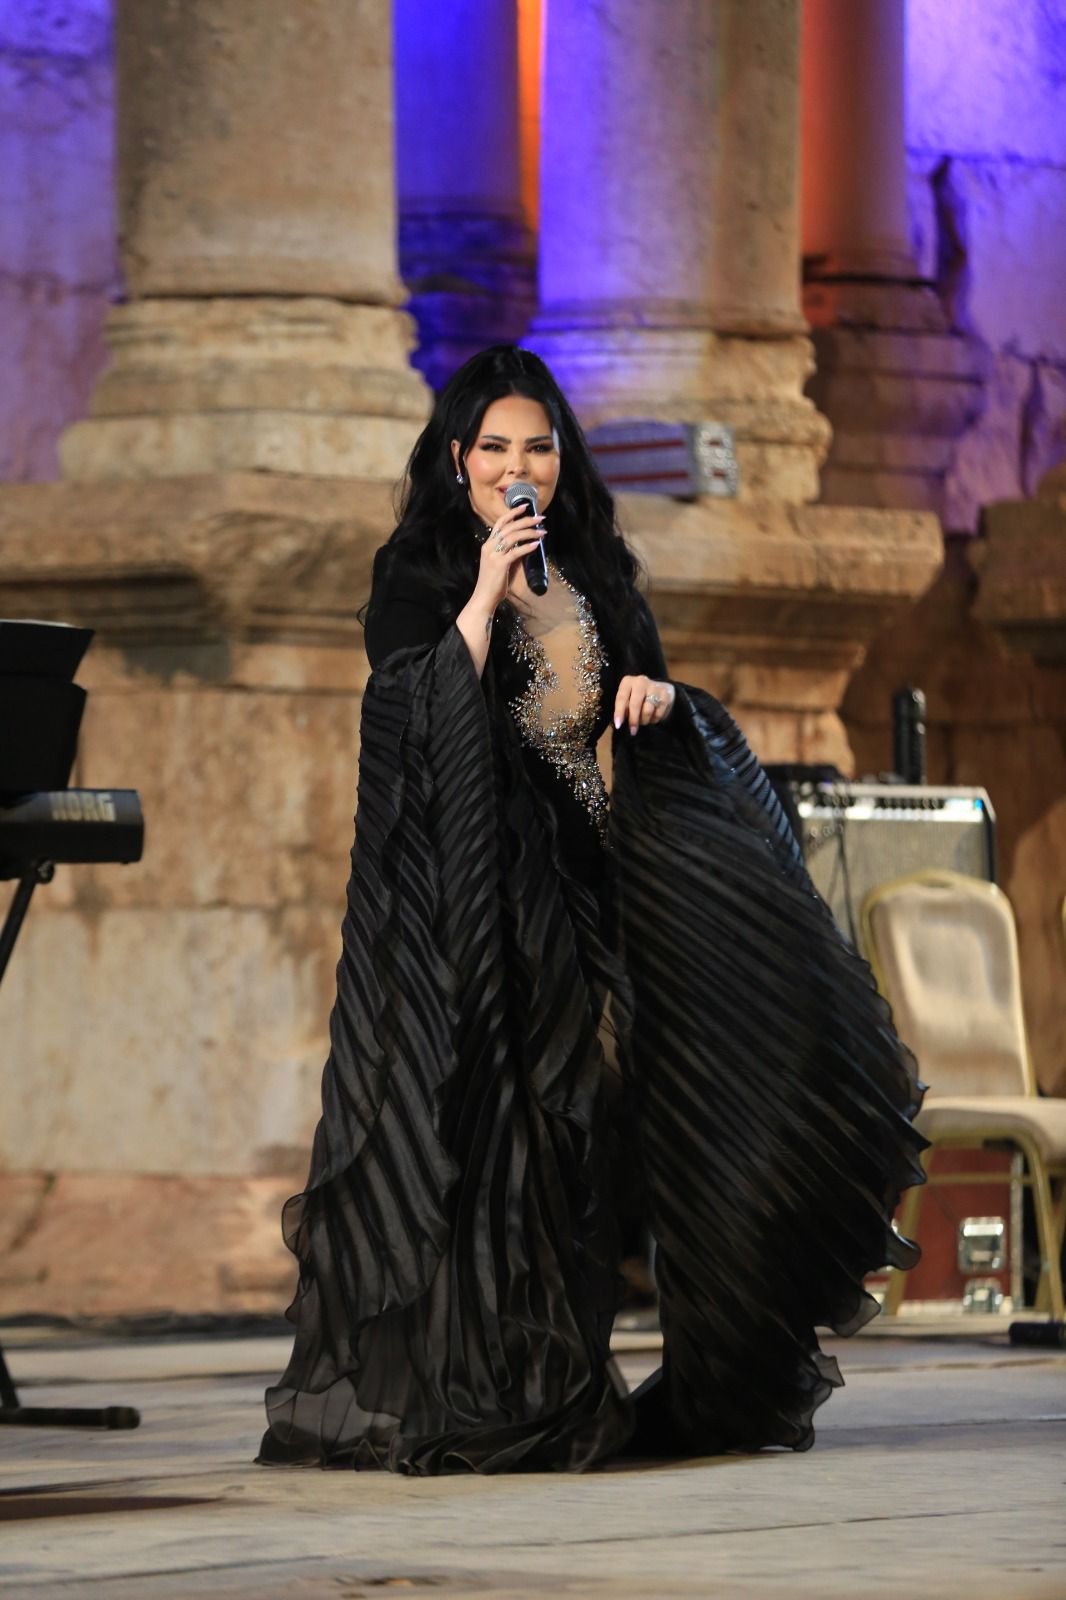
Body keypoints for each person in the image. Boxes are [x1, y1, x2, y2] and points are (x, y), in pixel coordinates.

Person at [258, 345, 926, 1475]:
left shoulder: (597, 573)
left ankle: (613, 1372)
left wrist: (656, 696)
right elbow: (412, 708)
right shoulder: (417, 569)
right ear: (457, 459)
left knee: (621, 1119)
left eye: (537, 447)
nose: (516, 468)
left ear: (561, 459)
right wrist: (484, 590)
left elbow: (635, 698)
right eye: (494, 449)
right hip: (481, 909)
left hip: (601, 885)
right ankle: (512, 1389)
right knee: (515, 1135)